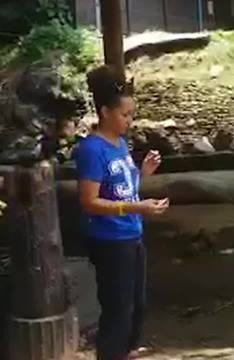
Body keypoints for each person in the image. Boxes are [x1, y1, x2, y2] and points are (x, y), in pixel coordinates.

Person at [73, 64, 169, 360]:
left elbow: (122, 188)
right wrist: (137, 207)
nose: (129, 121)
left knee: (135, 304)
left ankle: (125, 352)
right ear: (104, 112)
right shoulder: (91, 149)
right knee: (117, 307)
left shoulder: (121, 144)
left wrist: (143, 173)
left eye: (131, 115)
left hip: (132, 233)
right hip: (110, 239)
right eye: (124, 115)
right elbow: (89, 202)